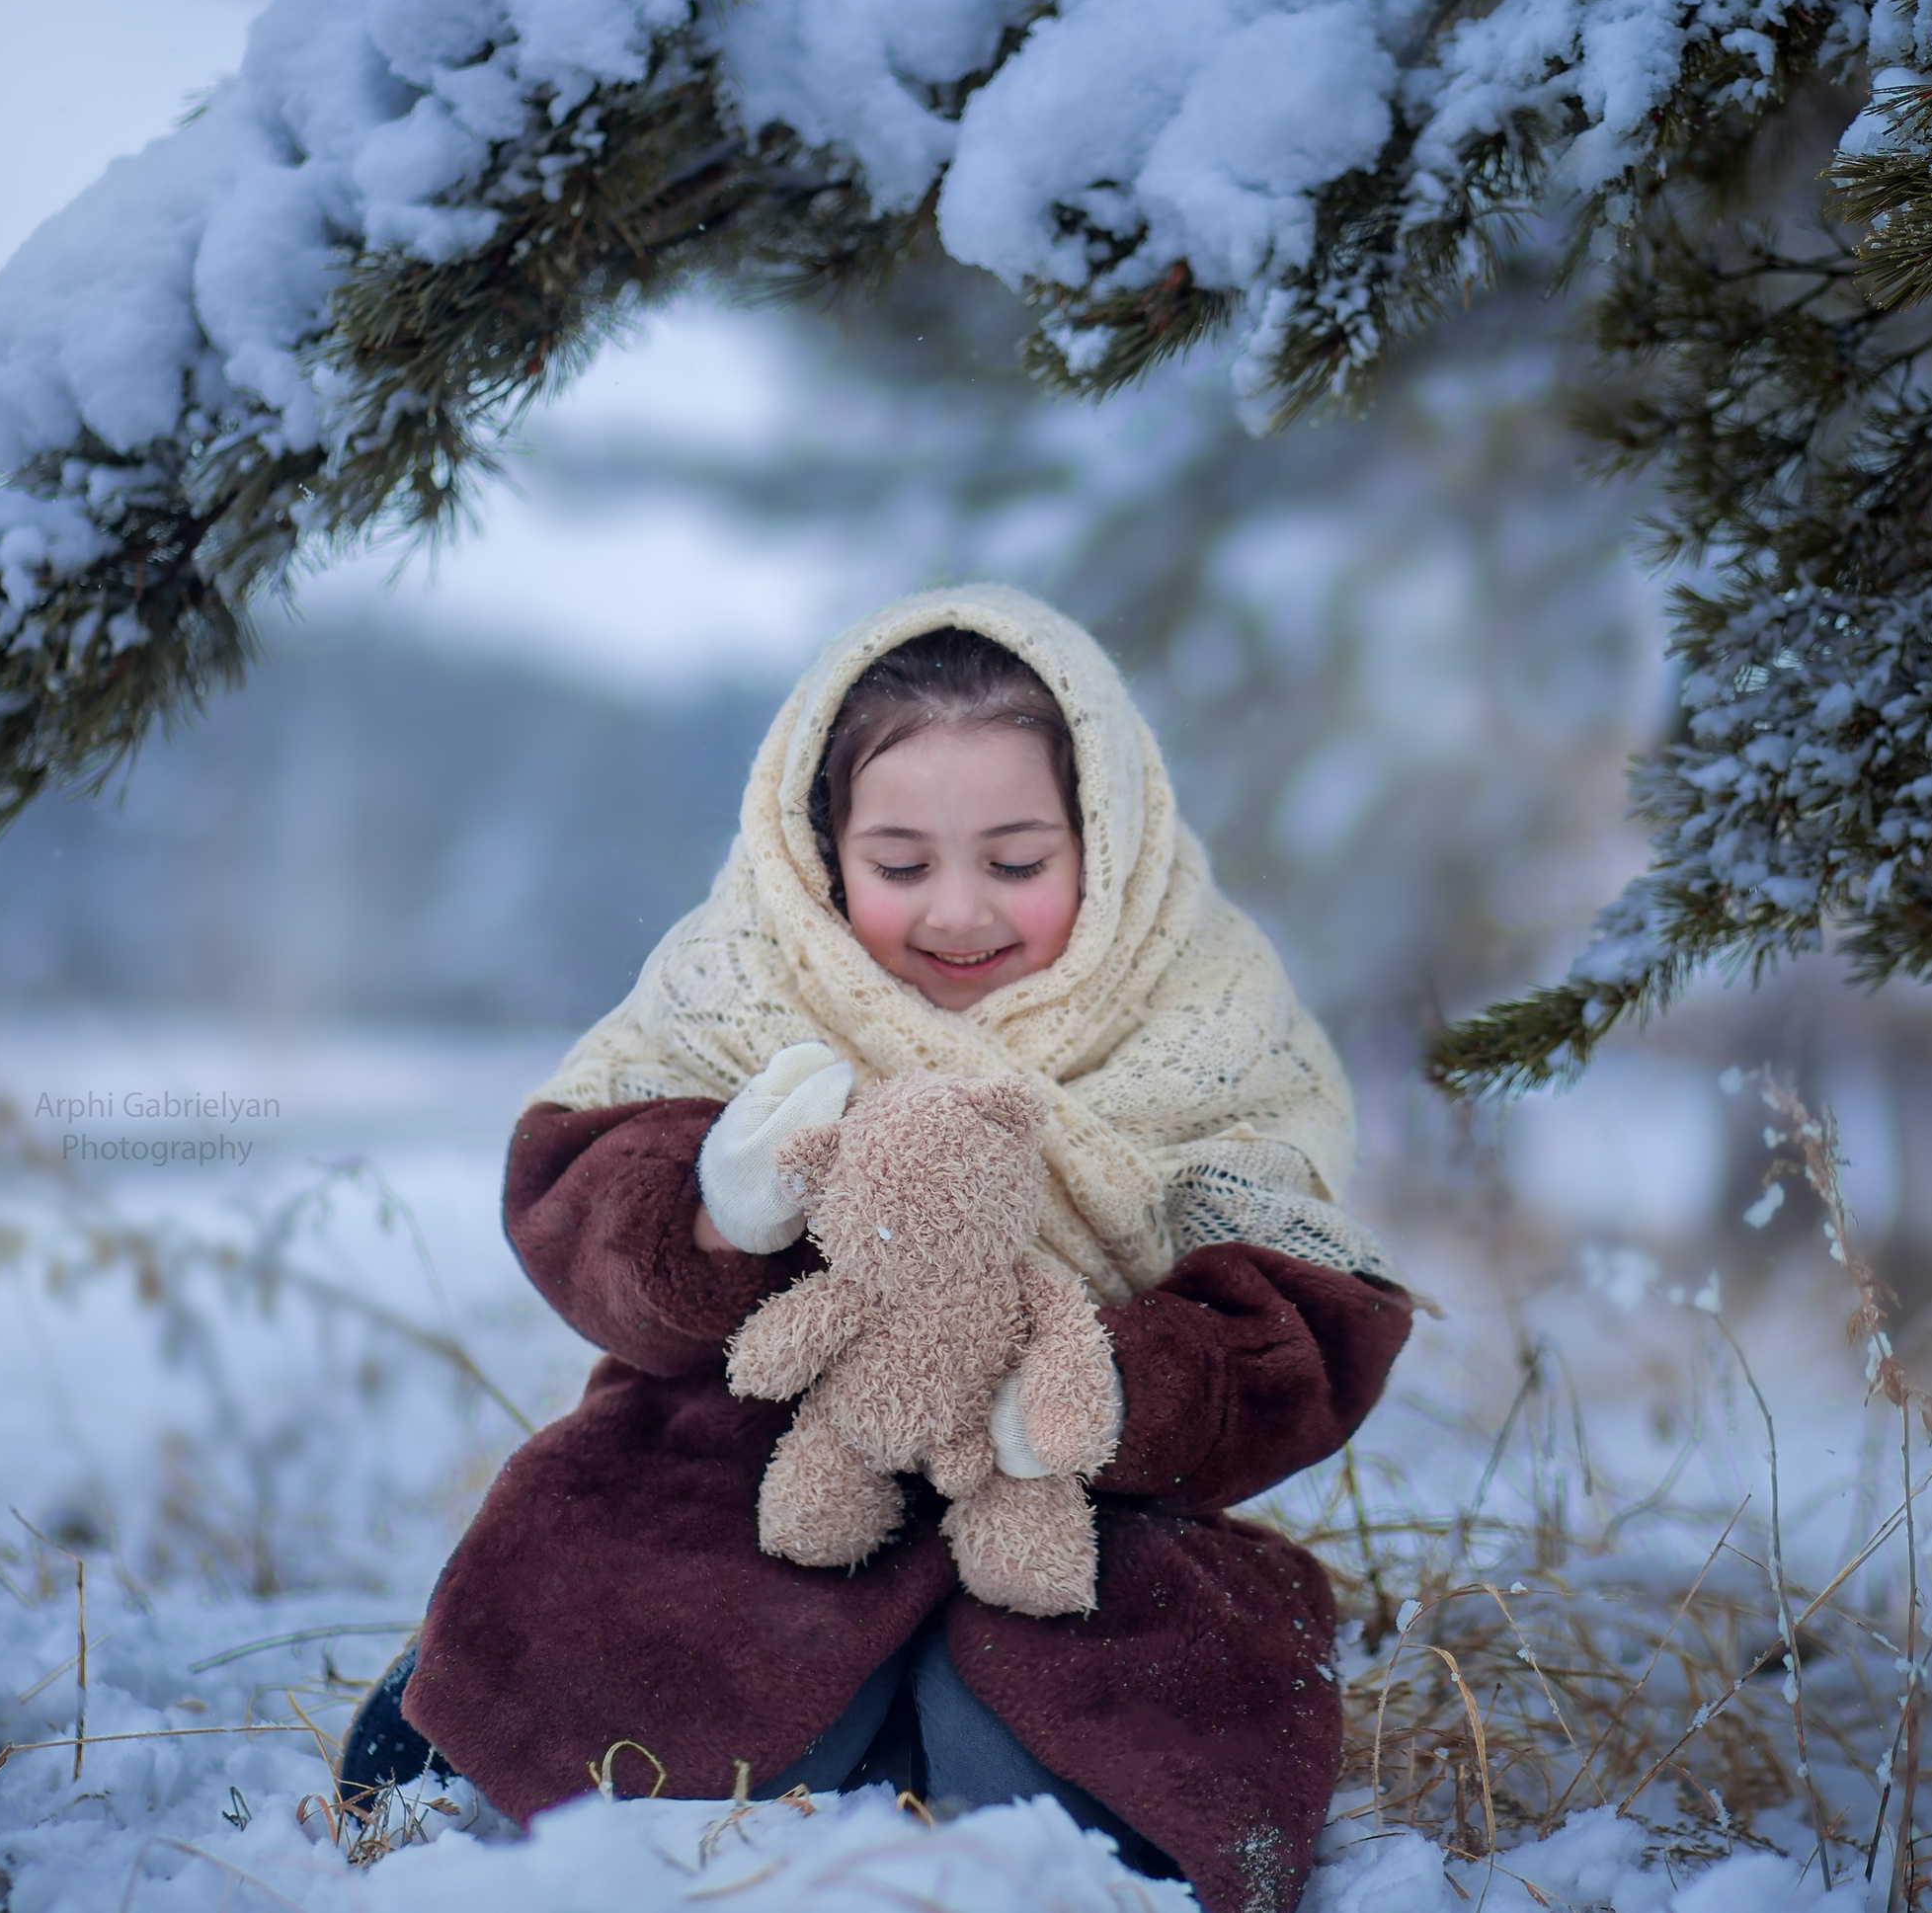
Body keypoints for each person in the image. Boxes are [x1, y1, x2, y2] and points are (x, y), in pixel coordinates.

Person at [340, 587, 1413, 1913]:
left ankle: (987, 1775)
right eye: (901, 865)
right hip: (736, 1486)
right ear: (821, 847)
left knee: (1107, 1768)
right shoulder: (746, 974)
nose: (958, 912)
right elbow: (573, 1208)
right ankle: (478, 1709)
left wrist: (1112, 1384)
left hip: (1073, 1514)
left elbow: (1301, 1323)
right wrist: (710, 1214)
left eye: (1018, 861)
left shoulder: (1205, 1006)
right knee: (616, 1676)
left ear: (1111, 842)